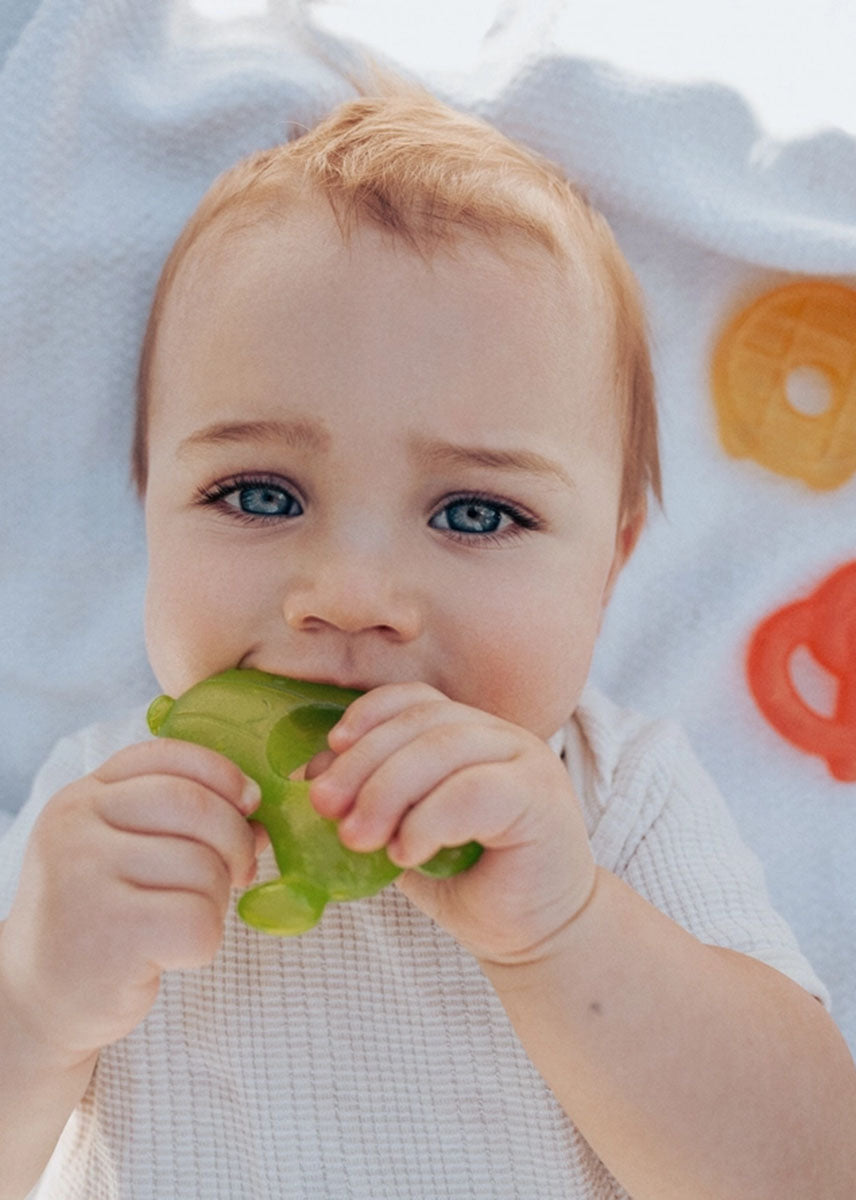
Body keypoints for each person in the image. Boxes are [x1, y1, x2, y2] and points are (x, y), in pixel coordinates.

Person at [1, 80, 854, 1200]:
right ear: (149, 504)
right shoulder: (102, 816)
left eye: (474, 513)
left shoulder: (612, 802)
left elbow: (809, 1174)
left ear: (607, 571)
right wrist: (32, 1010)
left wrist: (566, 929)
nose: (351, 597)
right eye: (258, 494)